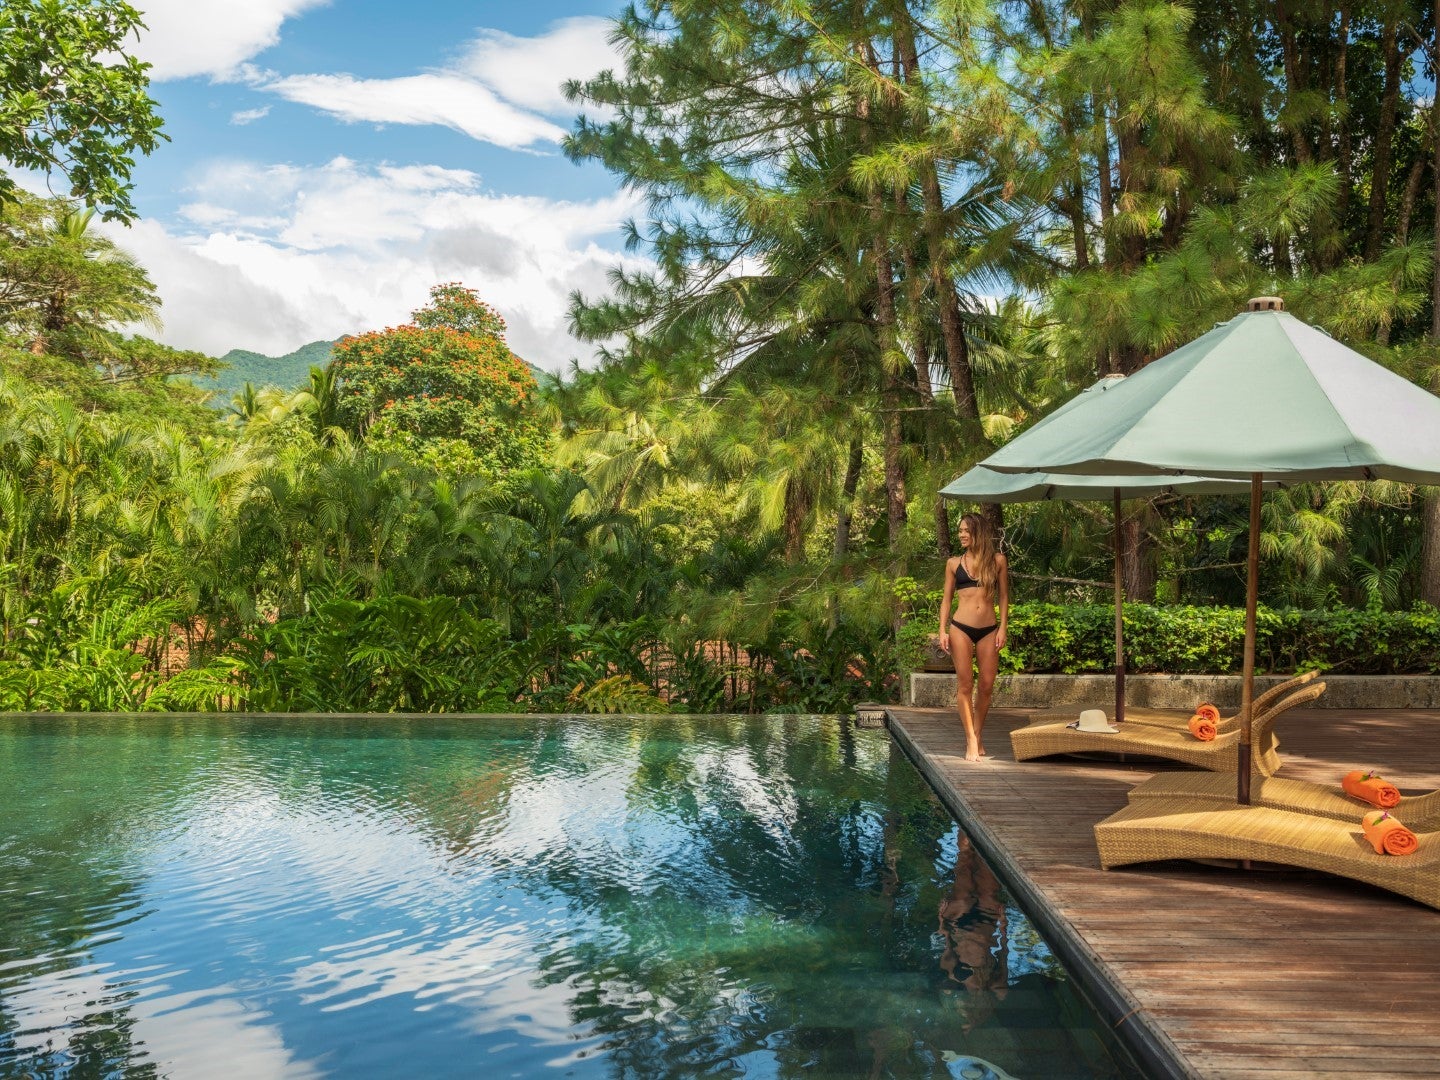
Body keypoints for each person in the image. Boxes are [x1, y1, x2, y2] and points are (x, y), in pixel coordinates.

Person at [938, 512, 1008, 761]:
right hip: (960, 628)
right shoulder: (954, 564)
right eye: (960, 530)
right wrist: (942, 630)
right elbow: (946, 599)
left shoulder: (998, 561)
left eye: (966, 530)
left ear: (978, 531)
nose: (962, 535)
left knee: (987, 685)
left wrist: (1003, 627)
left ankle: (978, 733)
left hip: (989, 629)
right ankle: (969, 739)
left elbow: (1003, 597)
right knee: (965, 685)